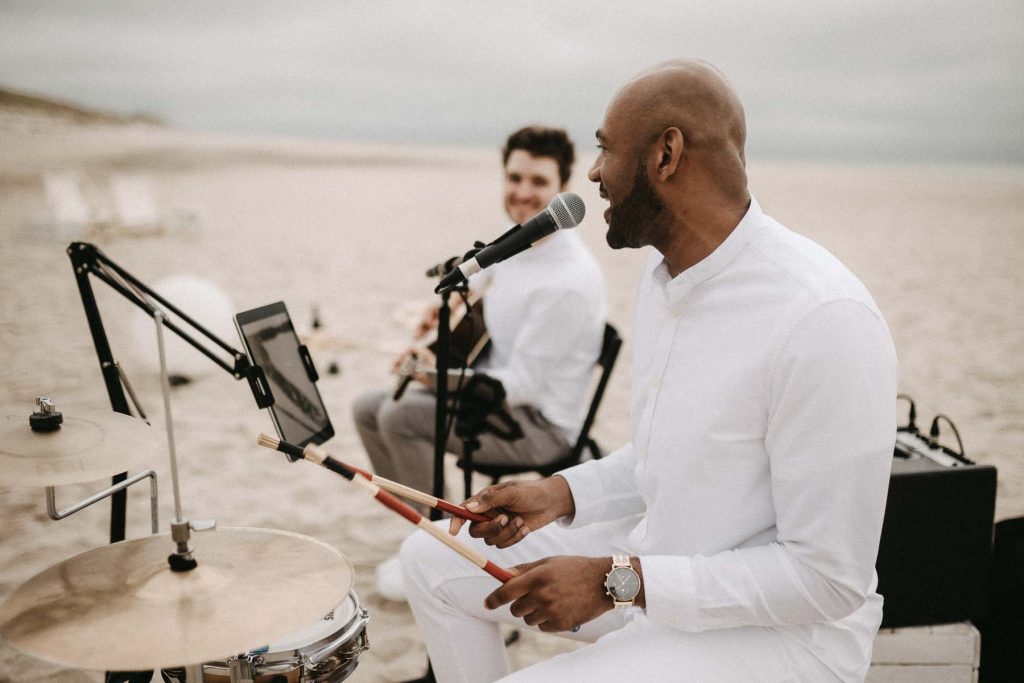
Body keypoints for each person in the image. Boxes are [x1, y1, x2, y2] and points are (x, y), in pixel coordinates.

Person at [399, 60, 898, 682]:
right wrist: (559, 494)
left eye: (606, 149)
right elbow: (674, 455)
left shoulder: (824, 318)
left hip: (783, 641)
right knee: (430, 559)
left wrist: (620, 581)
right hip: (661, 577)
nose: (593, 173)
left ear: (666, 154)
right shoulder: (663, 282)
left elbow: (828, 580)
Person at [353, 126, 607, 599]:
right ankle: (422, 536)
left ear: (562, 187)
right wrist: (446, 321)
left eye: (538, 181)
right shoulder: (520, 245)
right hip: (498, 398)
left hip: (539, 424)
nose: (523, 193)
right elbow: (491, 313)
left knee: (401, 414)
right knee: (367, 408)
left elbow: (523, 385)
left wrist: (428, 375)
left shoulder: (568, 278)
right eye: (515, 178)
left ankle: (436, 553)